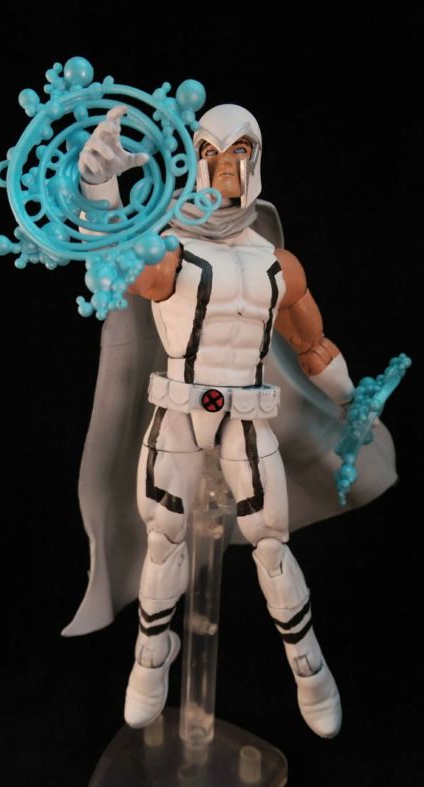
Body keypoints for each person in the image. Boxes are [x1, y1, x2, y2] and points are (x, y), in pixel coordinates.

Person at [67, 103, 397, 738]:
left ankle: (309, 667)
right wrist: (99, 187)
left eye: (239, 151)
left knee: (271, 544)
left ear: (256, 158)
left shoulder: (278, 265)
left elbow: (312, 346)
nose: (225, 165)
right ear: (196, 160)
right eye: (212, 151)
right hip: (179, 410)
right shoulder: (170, 253)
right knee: (164, 536)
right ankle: (150, 658)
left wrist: (351, 401)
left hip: (247, 415)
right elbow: (110, 261)